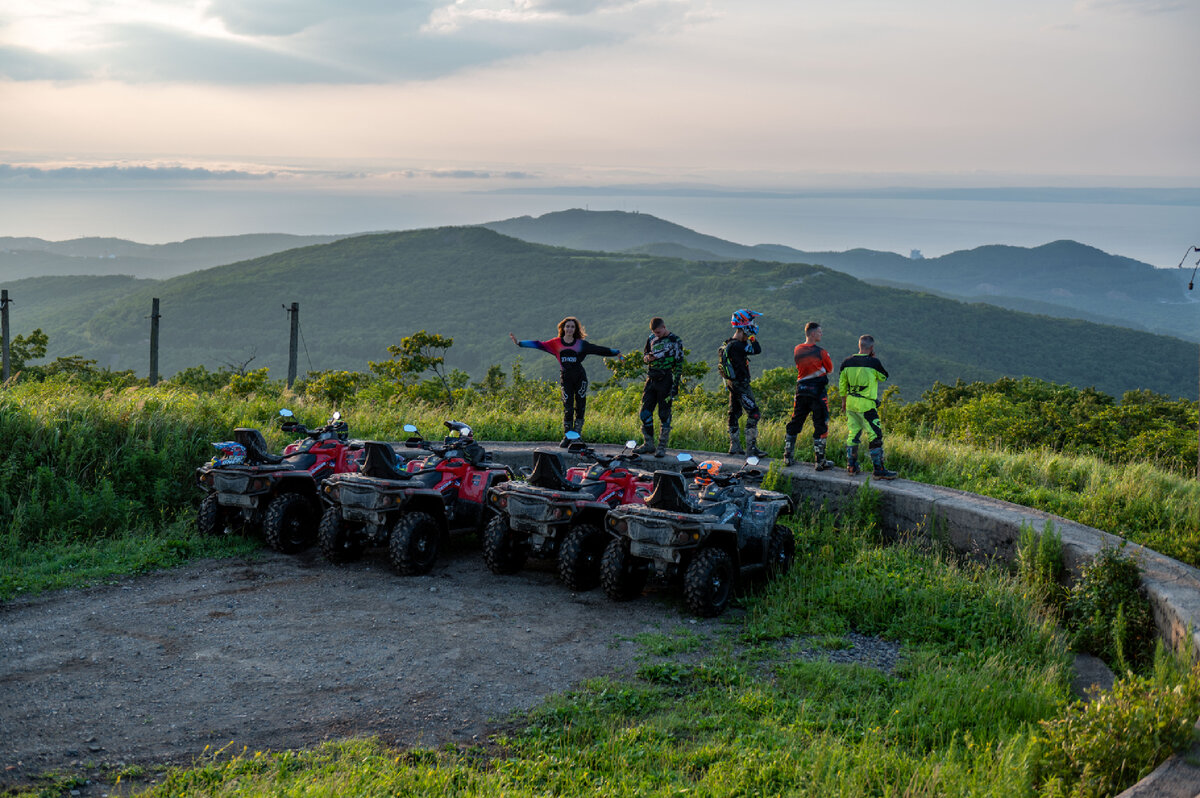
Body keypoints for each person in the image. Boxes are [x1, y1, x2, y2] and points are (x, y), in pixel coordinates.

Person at [509, 317, 620, 447]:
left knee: (580, 406)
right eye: (567, 326)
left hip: (580, 378)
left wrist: (616, 352)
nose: (569, 329)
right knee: (568, 407)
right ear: (562, 328)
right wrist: (519, 343)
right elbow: (539, 344)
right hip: (566, 378)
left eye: (572, 327)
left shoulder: (580, 344)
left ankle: (577, 437)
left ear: (575, 330)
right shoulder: (556, 343)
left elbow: (598, 350)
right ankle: (568, 435)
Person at [838, 334, 897, 479]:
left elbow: (842, 385)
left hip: (851, 403)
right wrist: (873, 359)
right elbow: (884, 377)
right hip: (867, 405)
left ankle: (851, 466)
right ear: (871, 348)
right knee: (875, 435)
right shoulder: (873, 362)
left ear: (859, 345)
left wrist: (844, 402)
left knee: (853, 434)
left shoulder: (846, 362)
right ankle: (878, 470)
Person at [783, 321, 835, 469]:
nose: (821, 334)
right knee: (820, 424)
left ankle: (787, 456)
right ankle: (820, 461)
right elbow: (829, 369)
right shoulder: (821, 352)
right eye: (819, 332)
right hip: (818, 393)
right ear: (813, 334)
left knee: (795, 422)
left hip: (801, 391)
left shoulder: (797, 349)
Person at [634, 317, 684, 457]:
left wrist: (676, 384)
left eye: (658, 332)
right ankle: (648, 444)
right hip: (651, 378)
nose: (657, 335)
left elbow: (679, 363)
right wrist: (648, 358)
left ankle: (662, 446)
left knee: (664, 414)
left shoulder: (675, 340)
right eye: (655, 333)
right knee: (645, 413)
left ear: (664, 327)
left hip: (666, 378)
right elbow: (645, 355)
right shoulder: (651, 338)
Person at [718, 309, 765, 457]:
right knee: (754, 413)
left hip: (731, 384)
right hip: (741, 385)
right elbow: (757, 350)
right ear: (744, 326)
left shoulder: (728, 343)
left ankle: (735, 446)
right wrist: (752, 337)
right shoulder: (739, 346)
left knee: (734, 413)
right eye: (752, 323)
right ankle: (751, 449)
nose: (754, 326)